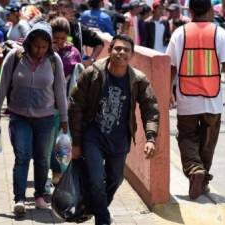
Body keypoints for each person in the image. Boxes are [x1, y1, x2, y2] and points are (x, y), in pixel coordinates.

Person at [69, 34, 159, 225]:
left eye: (126, 50)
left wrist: (151, 138)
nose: (122, 52)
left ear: (131, 55)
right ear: (109, 51)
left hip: (119, 140)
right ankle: (103, 220)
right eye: (118, 48)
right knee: (96, 179)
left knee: (115, 180)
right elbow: (75, 105)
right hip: (93, 137)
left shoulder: (138, 80)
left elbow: (150, 108)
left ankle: (92, 207)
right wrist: (76, 143)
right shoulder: (92, 73)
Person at [166, 0, 225, 200]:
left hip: (187, 99)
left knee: (187, 137)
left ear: (189, 11)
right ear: (210, 10)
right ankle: (202, 178)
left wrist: (168, 91)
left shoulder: (179, 33)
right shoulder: (219, 33)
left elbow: (171, 66)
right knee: (208, 142)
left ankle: (195, 171)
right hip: (212, 100)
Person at [0, 21, 68, 215]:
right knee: (22, 156)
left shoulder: (54, 60)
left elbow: (60, 90)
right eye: (36, 46)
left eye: (44, 46)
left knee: (42, 159)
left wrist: (65, 118)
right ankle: (20, 199)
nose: (40, 50)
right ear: (29, 43)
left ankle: (40, 195)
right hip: (19, 116)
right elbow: (2, 85)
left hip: (46, 118)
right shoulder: (14, 57)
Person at [50, 16, 82, 184]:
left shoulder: (74, 51)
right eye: (56, 38)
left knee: (64, 141)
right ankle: (55, 172)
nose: (61, 42)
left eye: (63, 38)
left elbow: (79, 75)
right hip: (49, 104)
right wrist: (52, 52)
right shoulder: (45, 52)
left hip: (68, 105)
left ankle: (64, 173)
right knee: (50, 143)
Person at [56, 0, 104, 67]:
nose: (60, 16)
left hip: (73, 72)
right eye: (57, 13)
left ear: (72, 13)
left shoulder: (78, 29)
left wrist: (90, 60)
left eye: (63, 13)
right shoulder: (50, 27)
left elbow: (99, 43)